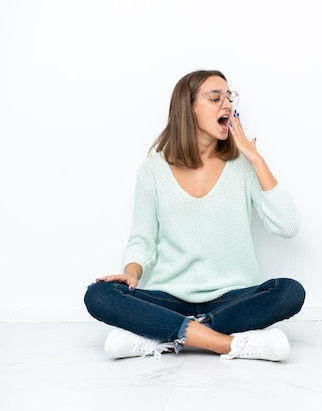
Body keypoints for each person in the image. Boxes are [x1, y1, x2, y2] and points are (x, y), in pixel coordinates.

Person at [84, 69, 305, 361]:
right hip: (169, 298)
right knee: (98, 294)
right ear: (187, 109)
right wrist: (131, 273)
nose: (226, 104)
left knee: (290, 291)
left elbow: (287, 225)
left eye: (229, 97)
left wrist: (255, 159)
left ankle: (162, 335)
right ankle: (226, 344)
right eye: (215, 98)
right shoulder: (153, 170)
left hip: (231, 298)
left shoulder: (243, 166)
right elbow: (143, 239)